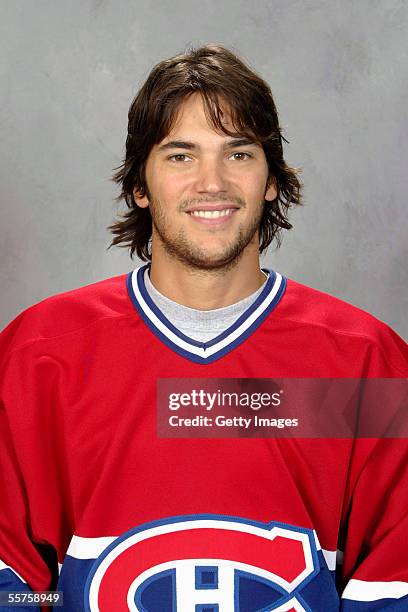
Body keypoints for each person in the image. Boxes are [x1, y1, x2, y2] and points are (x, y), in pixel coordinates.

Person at [0, 44, 407, 612]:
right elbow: (14, 585)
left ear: (271, 180)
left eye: (238, 154)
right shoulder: (41, 356)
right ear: (140, 185)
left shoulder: (365, 364)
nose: (211, 182)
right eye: (180, 156)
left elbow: (393, 584)